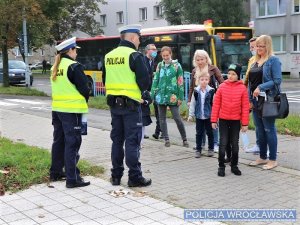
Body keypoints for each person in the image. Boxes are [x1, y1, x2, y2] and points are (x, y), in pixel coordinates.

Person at [103, 24, 152, 187]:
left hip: (114, 106)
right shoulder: (134, 56)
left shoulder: (108, 56)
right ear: (132, 38)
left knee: (117, 141)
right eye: (138, 38)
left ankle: (116, 176)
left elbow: (105, 80)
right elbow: (145, 82)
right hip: (131, 106)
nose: (139, 41)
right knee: (132, 142)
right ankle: (134, 177)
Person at [50, 37, 90, 188]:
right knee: (72, 143)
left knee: (59, 141)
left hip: (57, 110)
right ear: (70, 50)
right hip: (72, 111)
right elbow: (85, 89)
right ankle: (72, 178)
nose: (76, 54)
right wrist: (85, 99)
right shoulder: (74, 66)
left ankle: (56, 172)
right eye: (75, 50)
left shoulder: (55, 67)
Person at [248, 35, 282, 170]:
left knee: (269, 130)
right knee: (259, 131)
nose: (259, 48)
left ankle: (273, 160)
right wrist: (250, 99)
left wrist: (261, 87)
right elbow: (251, 83)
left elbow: (277, 80)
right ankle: (262, 157)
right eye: (257, 46)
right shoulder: (255, 61)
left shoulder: (273, 60)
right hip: (256, 101)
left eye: (262, 46)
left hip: (269, 100)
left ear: (268, 46)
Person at [211, 64, 249, 177]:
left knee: (235, 144)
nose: (230, 76)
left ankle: (234, 165)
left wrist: (245, 123)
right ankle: (221, 166)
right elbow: (216, 104)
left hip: (235, 121)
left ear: (238, 75)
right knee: (223, 143)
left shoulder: (242, 88)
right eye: (229, 73)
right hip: (223, 120)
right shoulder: (222, 86)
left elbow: (245, 107)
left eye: (233, 74)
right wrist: (213, 120)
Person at [151, 46, 189, 148]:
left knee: (177, 118)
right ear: (161, 56)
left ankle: (184, 139)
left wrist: (180, 97)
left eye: (167, 55)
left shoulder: (177, 66)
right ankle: (166, 139)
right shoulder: (159, 65)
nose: (165, 57)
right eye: (163, 56)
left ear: (170, 54)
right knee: (162, 118)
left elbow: (180, 82)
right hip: (161, 96)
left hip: (173, 96)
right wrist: (152, 94)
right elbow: (155, 80)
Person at [188, 50, 224, 153]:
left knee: (213, 122)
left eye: (202, 59)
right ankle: (202, 144)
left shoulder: (213, 68)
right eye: (197, 60)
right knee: (200, 121)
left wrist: (220, 95)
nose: (200, 62)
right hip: (199, 97)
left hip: (212, 98)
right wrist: (190, 100)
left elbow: (221, 81)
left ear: (206, 59)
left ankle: (215, 144)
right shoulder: (194, 70)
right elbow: (191, 87)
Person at [188, 71, 215, 158]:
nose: (204, 81)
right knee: (199, 133)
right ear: (198, 80)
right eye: (202, 79)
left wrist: (215, 116)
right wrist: (190, 115)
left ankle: (211, 149)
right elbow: (193, 103)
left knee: (210, 133)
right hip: (199, 116)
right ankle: (198, 150)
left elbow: (214, 104)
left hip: (208, 116)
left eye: (206, 79)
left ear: (208, 80)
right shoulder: (196, 91)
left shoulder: (211, 91)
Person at [244, 37, 260, 154]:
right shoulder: (251, 60)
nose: (252, 49)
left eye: (253, 47)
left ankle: (266, 147)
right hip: (252, 95)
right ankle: (259, 145)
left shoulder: (266, 60)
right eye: (251, 47)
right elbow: (247, 78)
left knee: (265, 125)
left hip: (262, 96)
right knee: (257, 123)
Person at [143, 44, 162, 140]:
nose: (155, 51)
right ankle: (143, 131)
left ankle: (160, 130)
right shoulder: (142, 61)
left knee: (157, 109)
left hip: (152, 89)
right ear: (147, 51)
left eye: (156, 49)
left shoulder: (153, 61)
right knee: (144, 110)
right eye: (153, 49)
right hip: (144, 89)